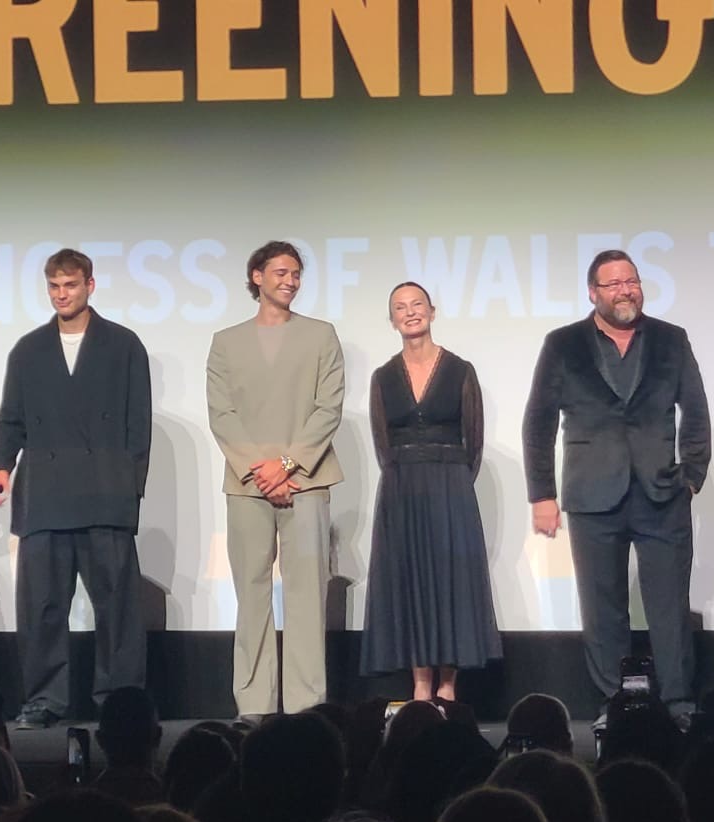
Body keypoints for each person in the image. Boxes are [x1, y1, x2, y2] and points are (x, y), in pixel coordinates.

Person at [523, 250, 711, 722]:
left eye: (632, 281)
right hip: (592, 493)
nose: (626, 290)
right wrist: (542, 494)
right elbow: (539, 421)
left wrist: (692, 474)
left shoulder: (670, 339)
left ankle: (677, 703)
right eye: (614, 284)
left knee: (669, 606)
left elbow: (696, 408)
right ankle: (614, 702)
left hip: (661, 492)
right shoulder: (563, 343)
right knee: (602, 607)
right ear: (593, 293)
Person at [0, 248, 153, 729]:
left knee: (117, 609)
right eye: (54, 287)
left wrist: (130, 487)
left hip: (106, 493)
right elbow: (11, 419)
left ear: (89, 286)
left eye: (71, 285)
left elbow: (137, 426)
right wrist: (1, 464)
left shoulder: (123, 345)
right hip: (44, 494)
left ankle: (120, 702)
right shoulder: (28, 350)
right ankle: (44, 700)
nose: (62, 294)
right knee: (42, 607)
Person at [206, 240, 346, 719]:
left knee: (307, 597)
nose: (290, 281)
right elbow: (222, 414)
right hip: (247, 484)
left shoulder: (321, 335)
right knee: (252, 595)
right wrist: (261, 470)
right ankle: (253, 704)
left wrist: (286, 465)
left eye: (296, 273)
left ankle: (307, 706)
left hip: (307, 480)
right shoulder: (226, 342)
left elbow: (329, 407)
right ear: (257, 276)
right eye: (281, 272)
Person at [360, 281, 501, 702]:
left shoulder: (460, 370)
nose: (410, 312)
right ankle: (420, 684)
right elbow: (383, 442)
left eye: (417, 304)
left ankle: (448, 686)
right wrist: (404, 477)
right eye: (400, 308)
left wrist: (453, 481)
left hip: (450, 484)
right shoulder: (383, 376)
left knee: (449, 578)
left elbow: (473, 440)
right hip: (402, 487)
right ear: (392, 320)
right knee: (411, 579)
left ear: (432, 312)